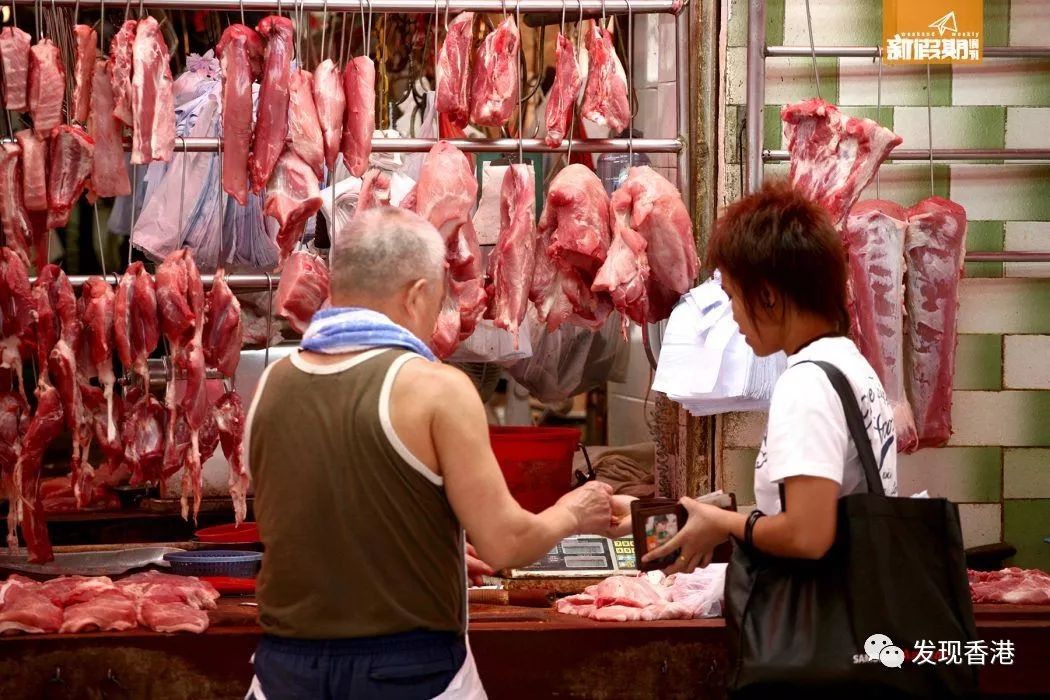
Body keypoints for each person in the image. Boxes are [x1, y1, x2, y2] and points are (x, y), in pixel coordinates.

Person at [246, 207, 626, 700]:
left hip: (283, 676)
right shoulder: (436, 389)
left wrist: (427, 543)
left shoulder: (272, 383)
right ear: (417, 295)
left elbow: (323, 514)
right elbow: (505, 545)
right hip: (409, 675)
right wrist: (573, 513)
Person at [644, 181, 898, 571]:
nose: (733, 315)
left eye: (732, 297)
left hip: (821, 619)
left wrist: (724, 523)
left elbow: (807, 535)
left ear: (767, 295)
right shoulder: (850, 365)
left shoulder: (806, 384)